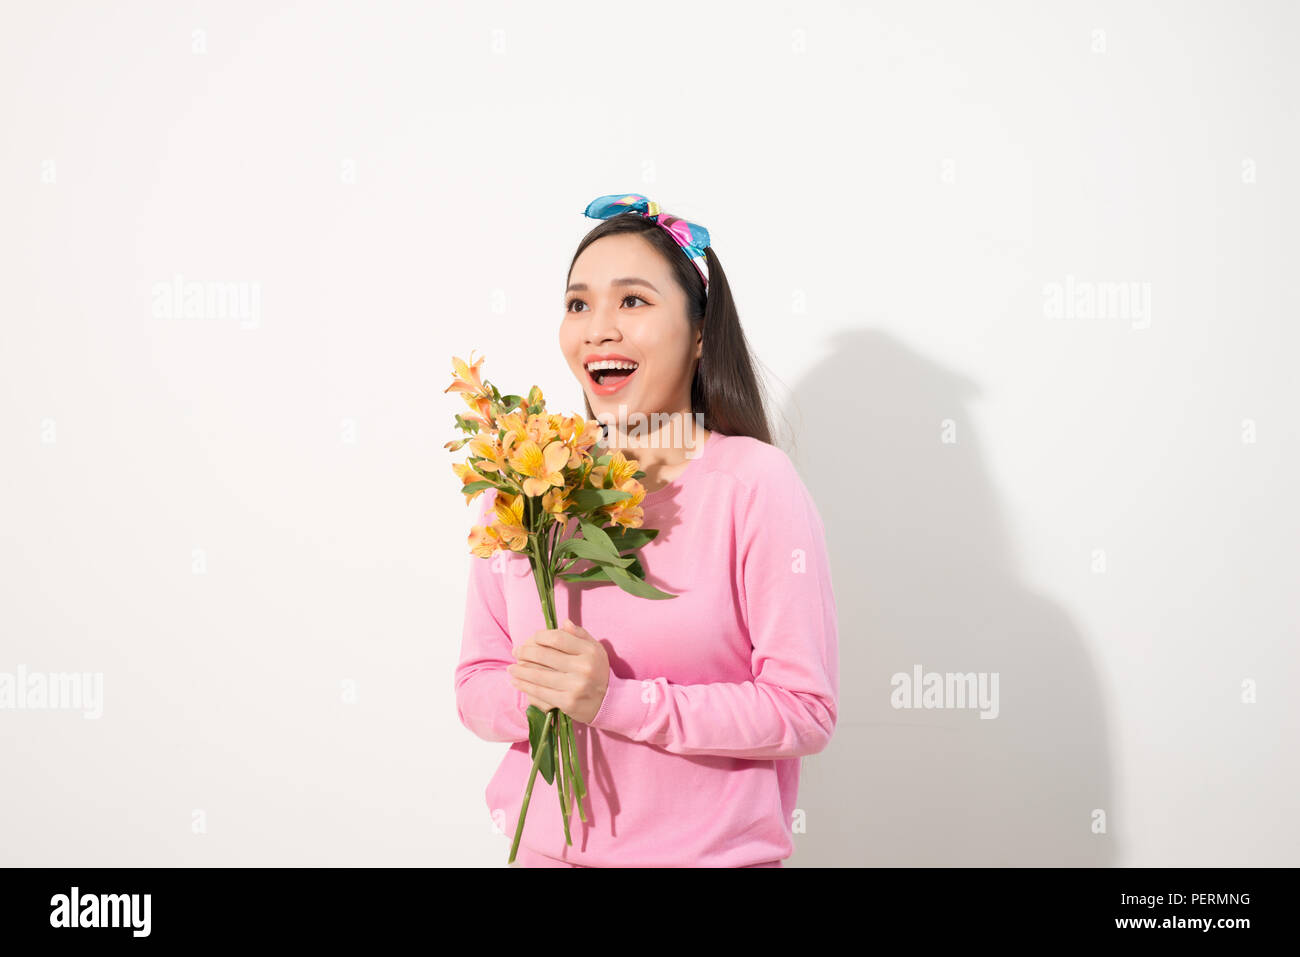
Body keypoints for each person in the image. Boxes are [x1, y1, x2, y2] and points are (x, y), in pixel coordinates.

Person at [454, 193, 839, 867]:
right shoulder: (525, 483)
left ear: (698, 332)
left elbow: (803, 708)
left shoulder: (754, 484)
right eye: (579, 304)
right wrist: (546, 696)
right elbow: (475, 686)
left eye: (632, 301)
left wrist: (617, 701)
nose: (598, 328)